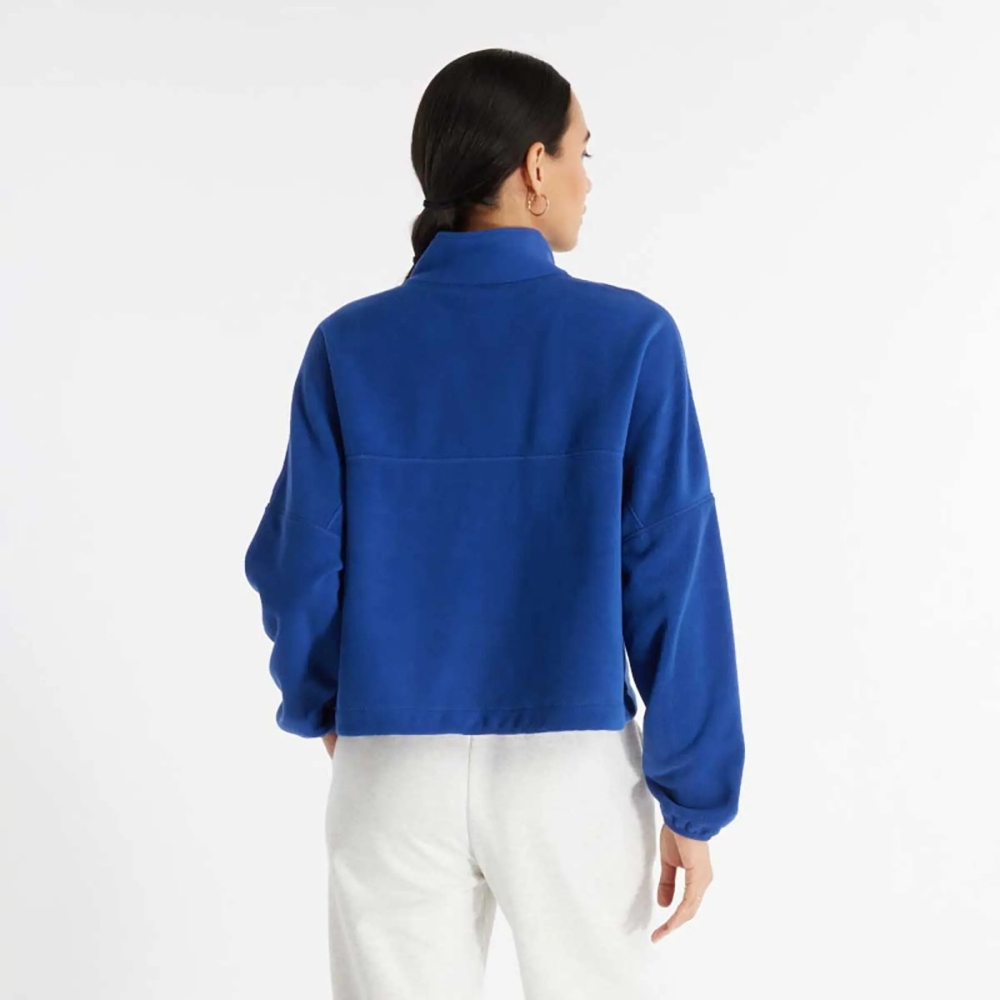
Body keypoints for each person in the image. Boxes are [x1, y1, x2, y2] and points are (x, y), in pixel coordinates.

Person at [244, 46, 745, 1000]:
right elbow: (672, 575)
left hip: (391, 766)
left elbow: (299, 564)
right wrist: (695, 797)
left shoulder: (349, 344)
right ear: (533, 167)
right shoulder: (632, 339)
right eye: (583, 152)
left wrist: (328, 709)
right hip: (572, 771)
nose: (589, 180)